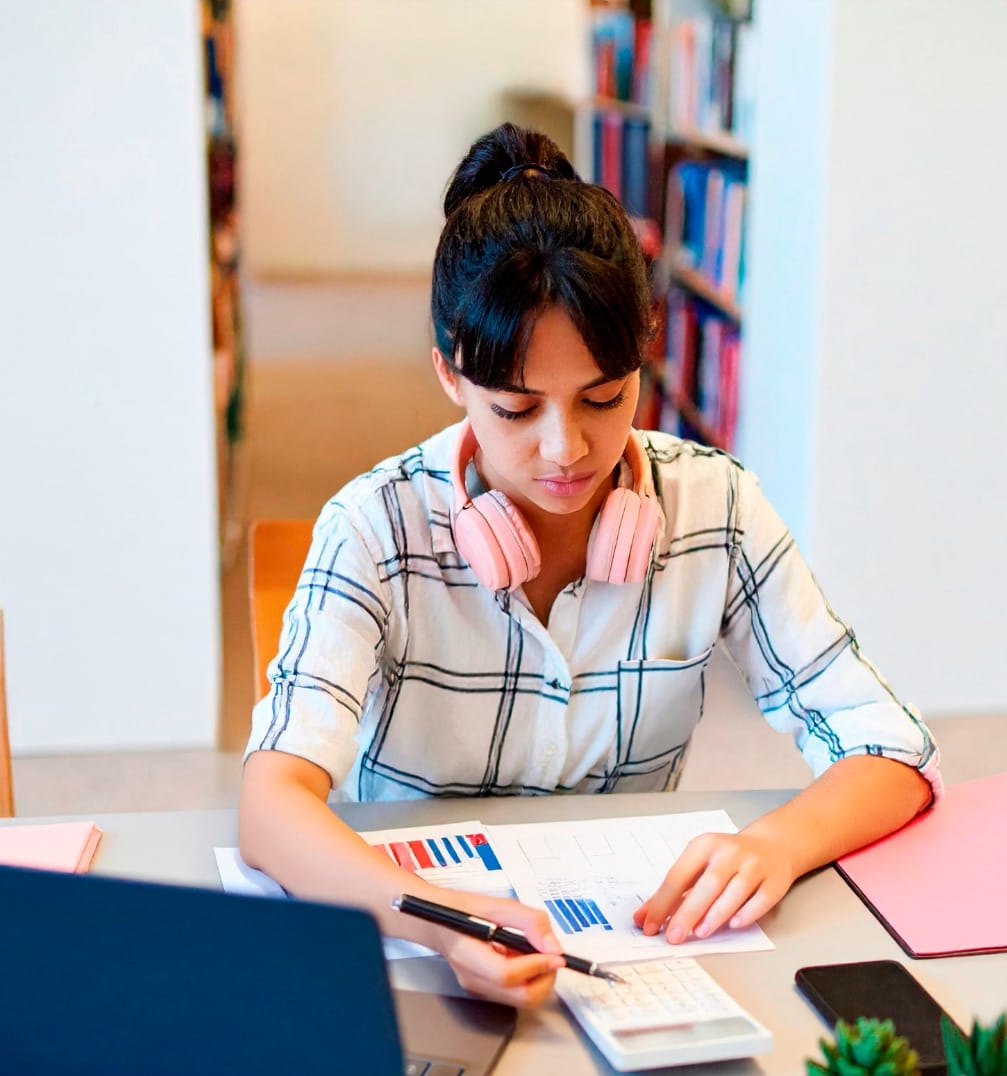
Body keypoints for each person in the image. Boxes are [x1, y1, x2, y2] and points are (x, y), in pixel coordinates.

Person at [240, 124, 938, 1008]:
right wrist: (439, 918)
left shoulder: (714, 506)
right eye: (516, 408)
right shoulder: (374, 526)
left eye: (603, 398)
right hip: (413, 961)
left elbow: (895, 750)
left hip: (634, 961)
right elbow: (271, 808)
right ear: (450, 374)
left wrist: (780, 843)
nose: (566, 449)